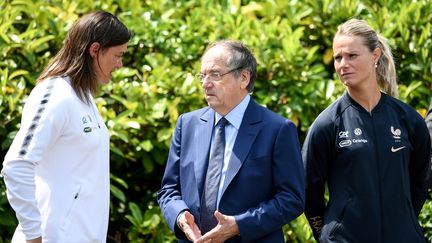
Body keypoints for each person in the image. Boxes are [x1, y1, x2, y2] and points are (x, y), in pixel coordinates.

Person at [1, 11, 131, 243]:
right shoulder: (55, 94)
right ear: (95, 50)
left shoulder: (83, 96)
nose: (120, 64)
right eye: (118, 55)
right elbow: (16, 165)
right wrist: (33, 236)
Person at [157, 40, 305, 242]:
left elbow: (292, 199)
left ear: (244, 77)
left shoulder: (277, 129)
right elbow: (169, 190)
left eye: (215, 75)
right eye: (203, 75)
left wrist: (239, 225)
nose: (205, 83)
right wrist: (181, 216)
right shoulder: (187, 124)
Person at [302, 18, 431, 243]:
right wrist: (326, 235)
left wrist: (403, 219)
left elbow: (420, 180)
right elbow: (307, 190)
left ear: (375, 56)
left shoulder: (408, 119)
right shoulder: (327, 124)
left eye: (352, 55)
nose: (343, 64)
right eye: (338, 57)